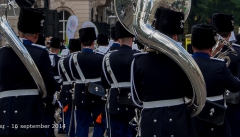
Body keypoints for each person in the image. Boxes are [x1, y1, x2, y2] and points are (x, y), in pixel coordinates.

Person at [0, 0, 58, 137]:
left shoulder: (0, 53)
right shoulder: (40, 52)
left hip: (5, 113)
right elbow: (49, 86)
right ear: (36, 35)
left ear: (18, 31)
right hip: (31, 111)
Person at [131, 8, 197, 137]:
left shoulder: (138, 61)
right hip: (178, 117)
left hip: (150, 118)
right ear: (175, 36)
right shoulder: (183, 61)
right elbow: (191, 92)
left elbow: (137, 98)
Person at [191, 24, 240, 137]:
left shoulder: (185, 65)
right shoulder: (219, 66)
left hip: (193, 120)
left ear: (192, 46)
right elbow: (235, 86)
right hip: (215, 120)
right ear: (211, 46)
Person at [102, 21, 138, 137]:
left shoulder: (108, 57)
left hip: (115, 101)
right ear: (132, 38)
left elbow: (105, 83)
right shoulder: (137, 56)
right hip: (134, 101)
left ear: (118, 37)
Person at [70, 27, 106, 137]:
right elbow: (104, 77)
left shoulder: (73, 58)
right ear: (93, 42)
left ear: (81, 42)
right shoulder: (100, 57)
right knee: (100, 122)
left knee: (81, 124)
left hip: (80, 94)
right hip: (96, 93)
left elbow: (72, 76)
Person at [212, 13, 240, 137]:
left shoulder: (203, 51)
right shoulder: (238, 52)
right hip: (234, 104)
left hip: (210, 104)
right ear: (230, 33)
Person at [58, 38, 82, 137]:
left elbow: (61, 76)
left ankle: (68, 132)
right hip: (77, 88)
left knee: (67, 114)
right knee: (77, 115)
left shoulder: (62, 61)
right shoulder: (79, 60)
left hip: (65, 88)